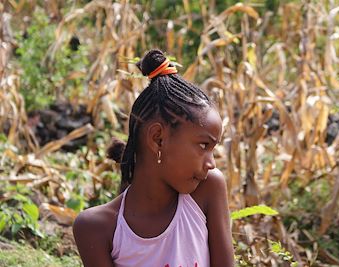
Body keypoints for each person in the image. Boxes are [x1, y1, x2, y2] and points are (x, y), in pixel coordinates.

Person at [73, 49, 235, 267]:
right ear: (158, 139)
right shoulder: (97, 228)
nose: (211, 163)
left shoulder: (207, 190)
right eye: (203, 146)